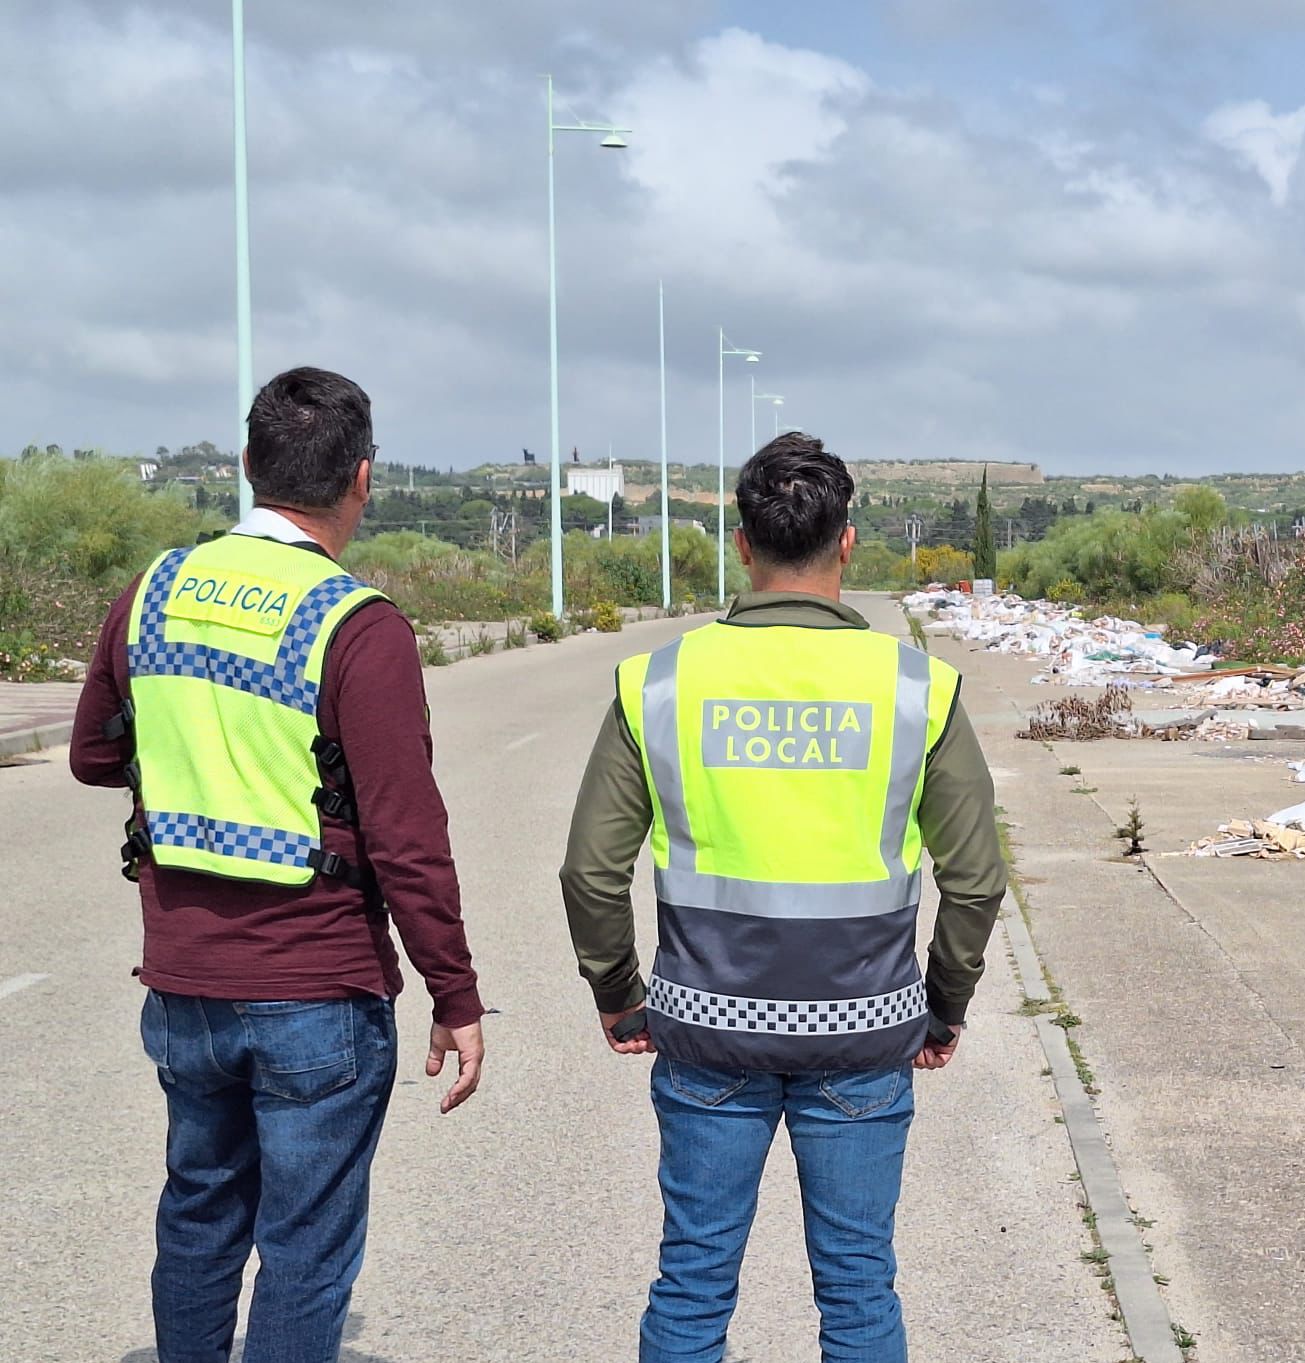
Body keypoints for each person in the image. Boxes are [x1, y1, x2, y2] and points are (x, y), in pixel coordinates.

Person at [559, 432, 1007, 1363]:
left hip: (705, 1034)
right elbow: (976, 879)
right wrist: (944, 1004)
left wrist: (617, 992)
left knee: (692, 1279)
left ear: (742, 542)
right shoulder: (915, 687)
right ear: (847, 542)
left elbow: (591, 871)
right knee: (857, 1287)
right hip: (864, 1032)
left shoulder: (664, 683)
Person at [70, 366, 485, 1363]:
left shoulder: (152, 592)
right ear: (363, 481)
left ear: (248, 465)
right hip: (316, 991)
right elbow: (405, 837)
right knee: (303, 1248)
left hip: (184, 987)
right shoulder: (358, 624)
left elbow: (91, 754)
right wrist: (456, 994)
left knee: (199, 1219)